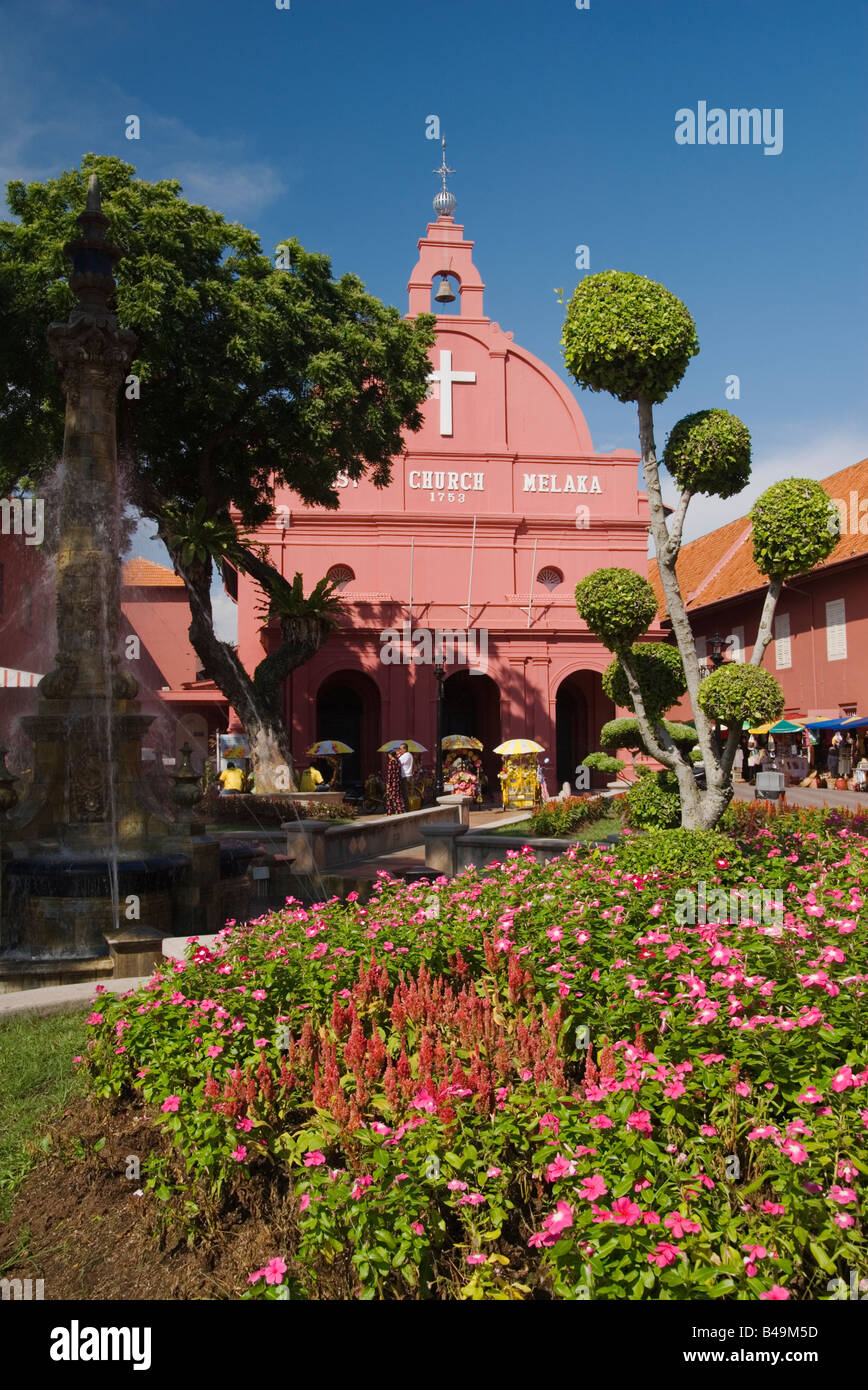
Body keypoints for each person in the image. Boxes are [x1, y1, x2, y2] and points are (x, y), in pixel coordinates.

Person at [385, 751, 404, 815]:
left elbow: (389, 773)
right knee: (397, 796)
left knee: (391, 796)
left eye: (389, 755)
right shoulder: (398, 761)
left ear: (391, 755)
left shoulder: (391, 762)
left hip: (392, 782)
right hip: (397, 781)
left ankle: (394, 811)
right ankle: (398, 810)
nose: (388, 756)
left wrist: (388, 783)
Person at [397, 743, 413, 807]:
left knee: (405, 794)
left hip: (405, 776)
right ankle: (406, 807)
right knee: (406, 793)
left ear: (404, 749)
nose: (400, 750)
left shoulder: (405, 755)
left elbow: (397, 762)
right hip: (408, 775)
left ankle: (407, 808)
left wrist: (398, 755)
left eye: (401, 749)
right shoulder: (409, 754)